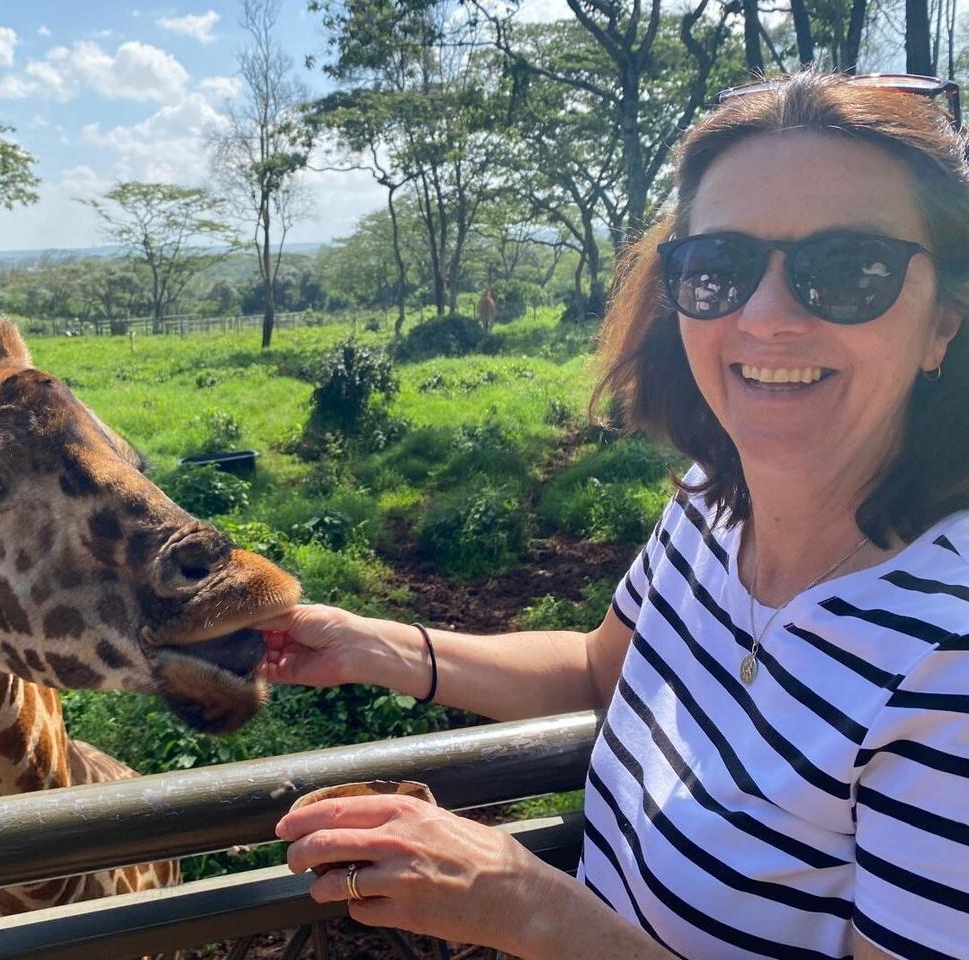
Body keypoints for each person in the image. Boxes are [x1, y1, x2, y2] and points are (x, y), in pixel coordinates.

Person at [254, 70, 969, 960]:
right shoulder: (710, 510)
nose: (768, 316)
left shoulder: (948, 663)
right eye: (719, 269)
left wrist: (534, 912)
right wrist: (377, 647)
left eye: (848, 269)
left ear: (945, 319)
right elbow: (602, 669)